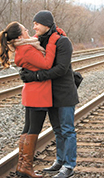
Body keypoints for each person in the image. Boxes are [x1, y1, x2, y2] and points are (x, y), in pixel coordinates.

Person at [0, 21, 60, 178]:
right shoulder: (26, 48)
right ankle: (26, 168)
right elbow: (47, 63)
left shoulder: (23, 47)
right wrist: (51, 43)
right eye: (25, 30)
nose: (29, 31)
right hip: (37, 94)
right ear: (20, 35)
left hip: (32, 93)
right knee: (33, 131)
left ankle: (22, 167)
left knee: (28, 130)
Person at [19, 10, 79, 178]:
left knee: (67, 129)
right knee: (57, 129)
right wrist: (25, 71)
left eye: (37, 23)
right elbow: (34, 62)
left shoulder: (63, 42)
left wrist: (36, 76)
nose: (34, 27)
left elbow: (61, 69)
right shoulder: (38, 42)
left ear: (46, 24)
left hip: (65, 93)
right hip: (48, 93)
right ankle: (60, 161)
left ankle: (69, 165)